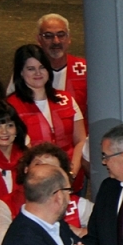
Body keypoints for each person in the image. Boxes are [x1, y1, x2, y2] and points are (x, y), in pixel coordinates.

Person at [7, 44, 86, 177]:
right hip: (35, 182)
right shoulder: (10, 107)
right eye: (31, 69)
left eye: (42, 67)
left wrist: (71, 173)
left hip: (71, 178)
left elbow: (80, 140)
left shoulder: (66, 99)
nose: (38, 73)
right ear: (20, 72)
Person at [34, 13, 88, 117]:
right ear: (39, 39)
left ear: (69, 38)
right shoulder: (28, 71)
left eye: (61, 35)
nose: (56, 41)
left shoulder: (86, 70)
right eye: (48, 36)